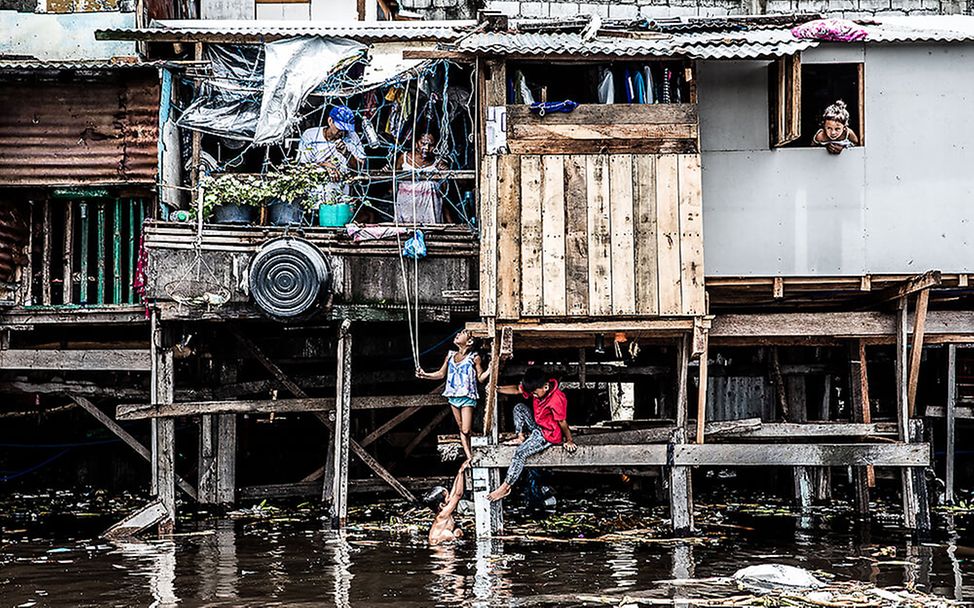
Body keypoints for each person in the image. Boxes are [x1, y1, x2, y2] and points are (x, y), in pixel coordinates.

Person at [486, 367, 576, 502]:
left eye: (534, 393)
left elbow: (563, 422)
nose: (533, 395)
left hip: (548, 434)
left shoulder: (557, 399)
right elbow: (517, 389)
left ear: (545, 387)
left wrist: (569, 440)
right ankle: (520, 436)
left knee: (520, 453)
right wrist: (496, 389)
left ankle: (505, 487)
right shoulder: (538, 387)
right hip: (539, 426)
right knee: (519, 408)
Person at [416, 329, 489, 463]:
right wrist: (425, 375)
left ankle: (471, 449)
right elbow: (441, 374)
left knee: (466, 429)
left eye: (461, 334)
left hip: (467, 396)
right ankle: (469, 456)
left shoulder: (474, 357)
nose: (457, 335)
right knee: (461, 427)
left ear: (469, 341)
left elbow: (480, 378)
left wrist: (491, 368)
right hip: (453, 396)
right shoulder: (450, 355)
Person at [297, 105, 366, 205]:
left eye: (346, 130)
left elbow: (360, 167)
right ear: (330, 121)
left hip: (343, 191)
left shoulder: (352, 137)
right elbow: (302, 166)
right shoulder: (310, 135)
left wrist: (347, 154)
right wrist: (324, 165)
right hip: (317, 191)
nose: (342, 132)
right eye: (340, 128)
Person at [394, 131, 450, 224]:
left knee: (431, 232)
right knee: (406, 231)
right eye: (423, 143)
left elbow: (444, 191)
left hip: (429, 208)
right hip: (407, 206)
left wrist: (444, 173)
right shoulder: (403, 158)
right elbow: (394, 180)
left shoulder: (438, 162)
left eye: (431, 145)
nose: (426, 148)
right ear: (416, 143)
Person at [425, 461, 469, 546]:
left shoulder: (443, 510)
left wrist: (459, 471)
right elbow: (458, 495)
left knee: (457, 532)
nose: (450, 498)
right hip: (437, 542)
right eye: (447, 497)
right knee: (447, 534)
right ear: (441, 505)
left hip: (438, 540)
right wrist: (461, 473)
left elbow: (454, 491)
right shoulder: (443, 514)